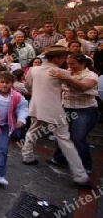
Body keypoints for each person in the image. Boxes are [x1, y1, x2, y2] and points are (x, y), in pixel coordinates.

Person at [21, 45, 93, 188]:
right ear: (56, 58)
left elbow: (27, 86)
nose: (64, 60)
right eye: (62, 58)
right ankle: (80, 176)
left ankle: (27, 156)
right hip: (54, 110)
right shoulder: (62, 72)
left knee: (33, 131)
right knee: (65, 140)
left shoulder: (34, 70)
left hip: (36, 106)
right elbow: (74, 87)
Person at [48, 54, 99, 174]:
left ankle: (85, 166)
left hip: (85, 110)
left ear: (82, 63)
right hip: (66, 107)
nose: (70, 66)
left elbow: (83, 87)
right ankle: (60, 159)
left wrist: (66, 78)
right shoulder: (68, 72)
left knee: (77, 137)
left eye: (73, 64)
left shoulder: (91, 75)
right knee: (62, 135)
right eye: (68, 63)